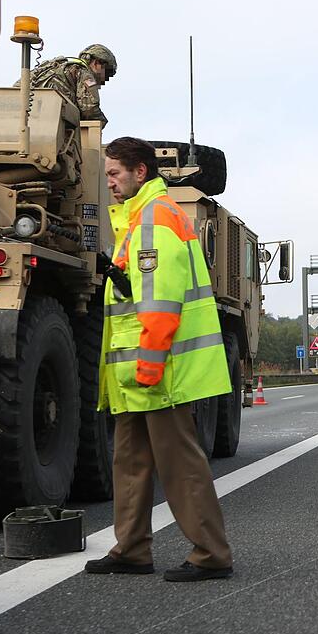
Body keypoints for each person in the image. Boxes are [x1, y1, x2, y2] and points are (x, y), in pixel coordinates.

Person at [84, 136, 233, 581]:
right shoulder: (138, 219)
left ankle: (212, 554)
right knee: (129, 462)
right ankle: (131, 548)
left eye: (114, 174)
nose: (108, 183)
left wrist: (148, 365)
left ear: (140, 172)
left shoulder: (153, 221)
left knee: (179, 465)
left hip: (158, 370)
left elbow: (162, 303)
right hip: (137, 372)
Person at [25, 43, 116, 125]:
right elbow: (89, 108)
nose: (106, 79)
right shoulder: (85, 75)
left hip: (25, 116)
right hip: (51, 121)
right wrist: (102, 121)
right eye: (107, 72)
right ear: (96, 63)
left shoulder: (53, 66)